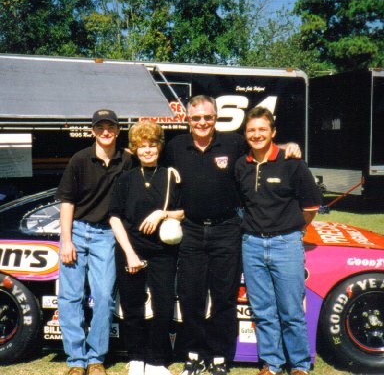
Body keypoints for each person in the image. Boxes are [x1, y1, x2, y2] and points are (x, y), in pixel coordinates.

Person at [166, 95, 302, 375]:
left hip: (226, 230)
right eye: (196, 118)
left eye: (207, 117)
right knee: (191, 296)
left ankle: (219, 357)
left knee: (224, 298)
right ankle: (194, 355)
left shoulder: (233, 143)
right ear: (187, 120)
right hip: (190, 230)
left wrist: (290, 146)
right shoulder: (175, 147)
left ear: (216, 117)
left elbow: (263, 149)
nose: (202, 122)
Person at [235, 107, 322, 375]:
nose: (256, 134)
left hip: (286, 245)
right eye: (251, 130)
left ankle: (298, 365)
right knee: (262, 311)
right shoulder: (241, 166)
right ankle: (271, 364)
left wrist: (292, 230)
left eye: (262, 129)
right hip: (251, 245)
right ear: (245, 134)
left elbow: (311, 207)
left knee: (291, 310)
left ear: (273, 132)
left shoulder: (292, 163)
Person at [56, 109, 132, 375]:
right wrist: (66, 241)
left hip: (106, 235)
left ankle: (96, 358)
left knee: (103, 297)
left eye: (110, 126)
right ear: (92, 131)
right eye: (100, 127)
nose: (105, 131)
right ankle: (76, 361)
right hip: (76, 231)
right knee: (70, 298)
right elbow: (67, 202)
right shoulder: (79, 159)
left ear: (118, 130)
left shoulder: (127, 160)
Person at [109, 121, 184, 375]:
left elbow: (185, 212)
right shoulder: (126, 178)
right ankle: (136, 358)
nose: (148, 150)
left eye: (152, 145)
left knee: (163, 305)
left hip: (163, 251)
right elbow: (114, 217)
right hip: (131, 249)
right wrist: (129, 253)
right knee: (132, 305)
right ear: (135, 149)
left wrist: (162, 214)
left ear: (159, 147)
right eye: (142, 146)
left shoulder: (171, 175)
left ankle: (155, 361)